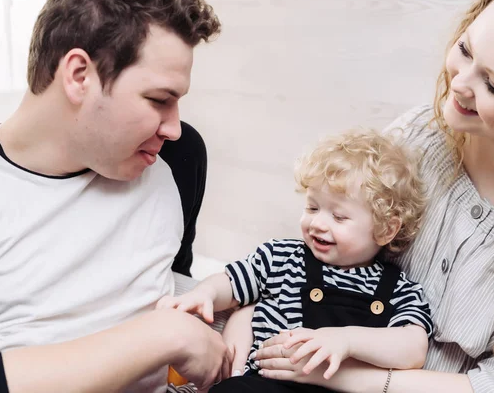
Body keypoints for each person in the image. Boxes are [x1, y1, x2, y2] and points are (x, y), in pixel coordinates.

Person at [248, 0, 494, 392]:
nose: (460, 84)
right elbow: (333, 256)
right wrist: (254, 311)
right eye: (465, 50)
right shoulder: (419, 138)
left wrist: (340, 376)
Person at [0, 0, 232, 392]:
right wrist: (165, 337)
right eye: (159, 100)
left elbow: (174, 283)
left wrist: (238, 308)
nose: (173, 127)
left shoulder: (178, 157)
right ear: (78, 76)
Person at [157, 129, 434, 392]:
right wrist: (205, 293)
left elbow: (413, 348)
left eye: (339, 217)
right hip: (265, 384)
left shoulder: (399, 288)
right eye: (312, 207)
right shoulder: (281, 257)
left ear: (386, 229)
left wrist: (346, 340)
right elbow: (232, 282)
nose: (318, 224)